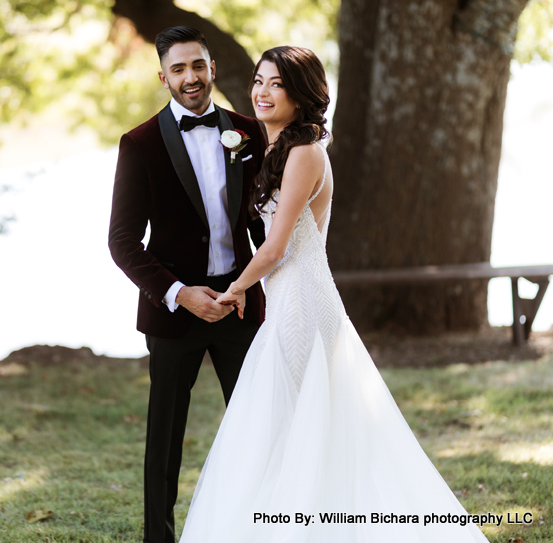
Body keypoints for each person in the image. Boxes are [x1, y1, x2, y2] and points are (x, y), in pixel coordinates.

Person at [177, 46, 490, 543]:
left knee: (301, 420)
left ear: (300, 95)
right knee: (287, 421)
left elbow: (277, 248)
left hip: (302, 298)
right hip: (285, 300)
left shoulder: (304, 154)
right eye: (259, 80)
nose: (261, 91)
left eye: (276, 84)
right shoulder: (276, 148)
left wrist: (234, 289)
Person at [108, 26, 268, 543]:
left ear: (212, 68)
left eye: (197, 65)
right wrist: (180, 293)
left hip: (239, 305)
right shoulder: (139, 144)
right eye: (178, 69)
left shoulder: (249, 131)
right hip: (175, 313)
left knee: (257, 428)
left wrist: (255, 283)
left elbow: (264, 222)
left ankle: (261, 527)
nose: (190, 77)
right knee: (165, 440)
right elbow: (123, 241)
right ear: (163, 77)